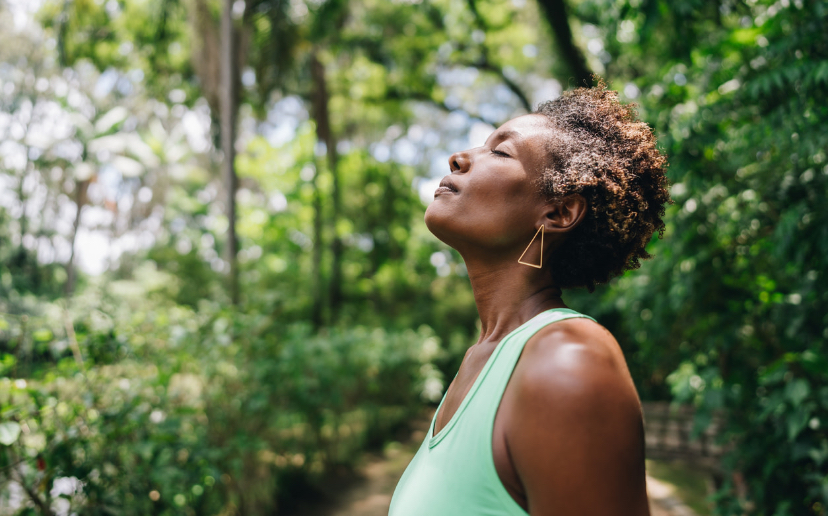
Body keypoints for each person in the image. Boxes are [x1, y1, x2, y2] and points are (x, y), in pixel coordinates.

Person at [388, 83, 671, 516]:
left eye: (501, 153)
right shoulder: (480, 360)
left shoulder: (567, 359)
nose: (459, 158)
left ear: (558, 213)